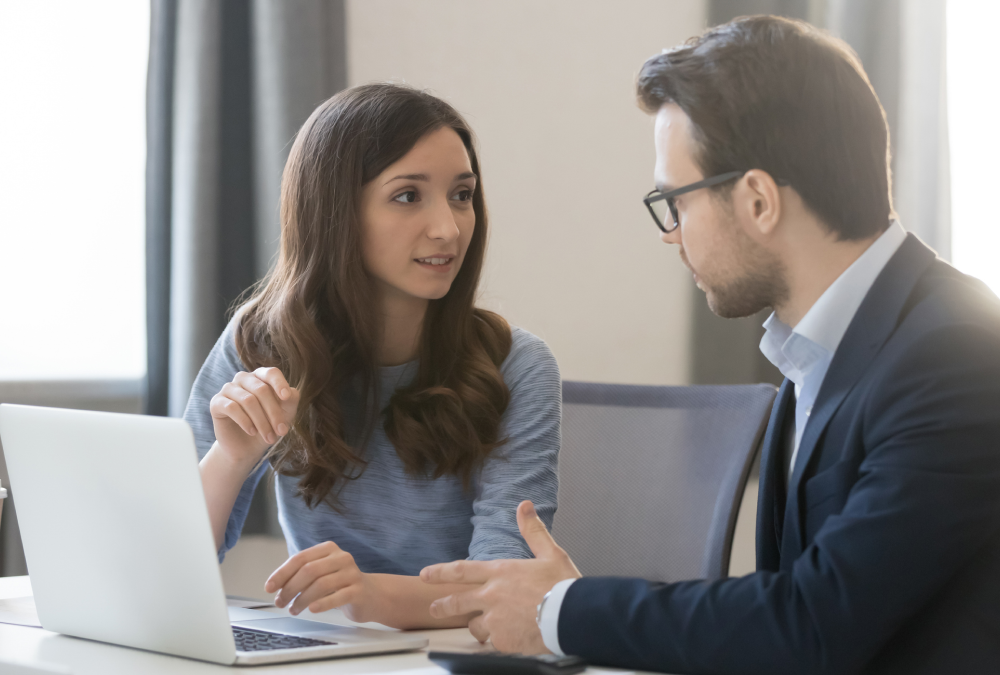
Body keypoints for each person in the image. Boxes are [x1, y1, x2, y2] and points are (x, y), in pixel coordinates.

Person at [420, 16, 1000, 673]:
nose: (670, 234)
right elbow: (785, 613)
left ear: (757, 200)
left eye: (676, 201)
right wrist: (571, 606)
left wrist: (562, 609)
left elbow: (813, 622)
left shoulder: (955, 352)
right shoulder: (821, 350)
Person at [183, 83, 561, 631]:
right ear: (335, 213)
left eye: (461, 195)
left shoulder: (516, 364)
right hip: (329, 656)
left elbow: (505, 589)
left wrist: (370, 596)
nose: (449, 228)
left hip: (458, 660)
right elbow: (179, 562)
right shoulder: (262, 340)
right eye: (409, 196)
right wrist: (230, 457)